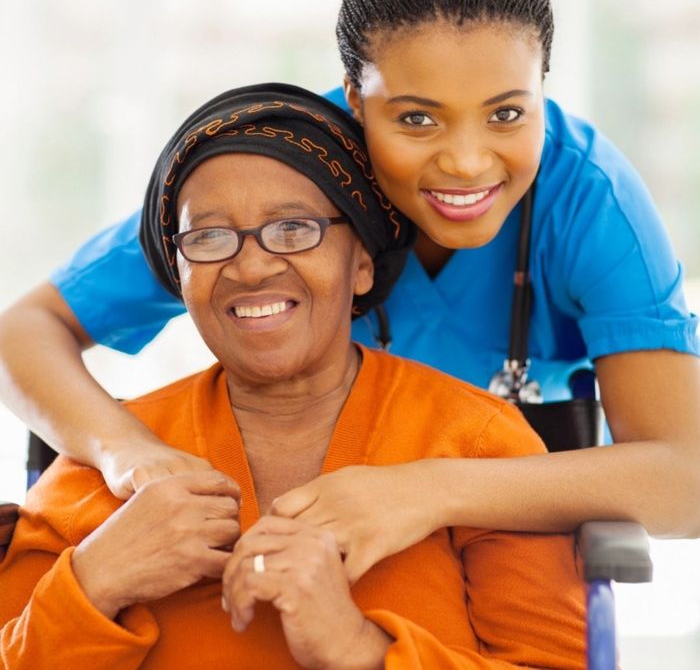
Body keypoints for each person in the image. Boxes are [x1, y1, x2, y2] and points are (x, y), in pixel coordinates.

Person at [0, 0, 698, 583]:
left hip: (472, 577)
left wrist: (427, 491)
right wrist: (126, 452)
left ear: (544, 87)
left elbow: (686, 480)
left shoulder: (587, 199)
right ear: (354, 102)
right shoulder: (284, 168)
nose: (465, 161)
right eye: (416, 118)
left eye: (507, 113)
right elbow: (25, 332)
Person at [0, 83, 586, 669]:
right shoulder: (97, 474)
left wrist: (356, 648)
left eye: (293, 229)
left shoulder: (479, 444)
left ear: (360, 263)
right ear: (179, 276)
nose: (251, 266)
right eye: (207, 237)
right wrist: (95, 583)